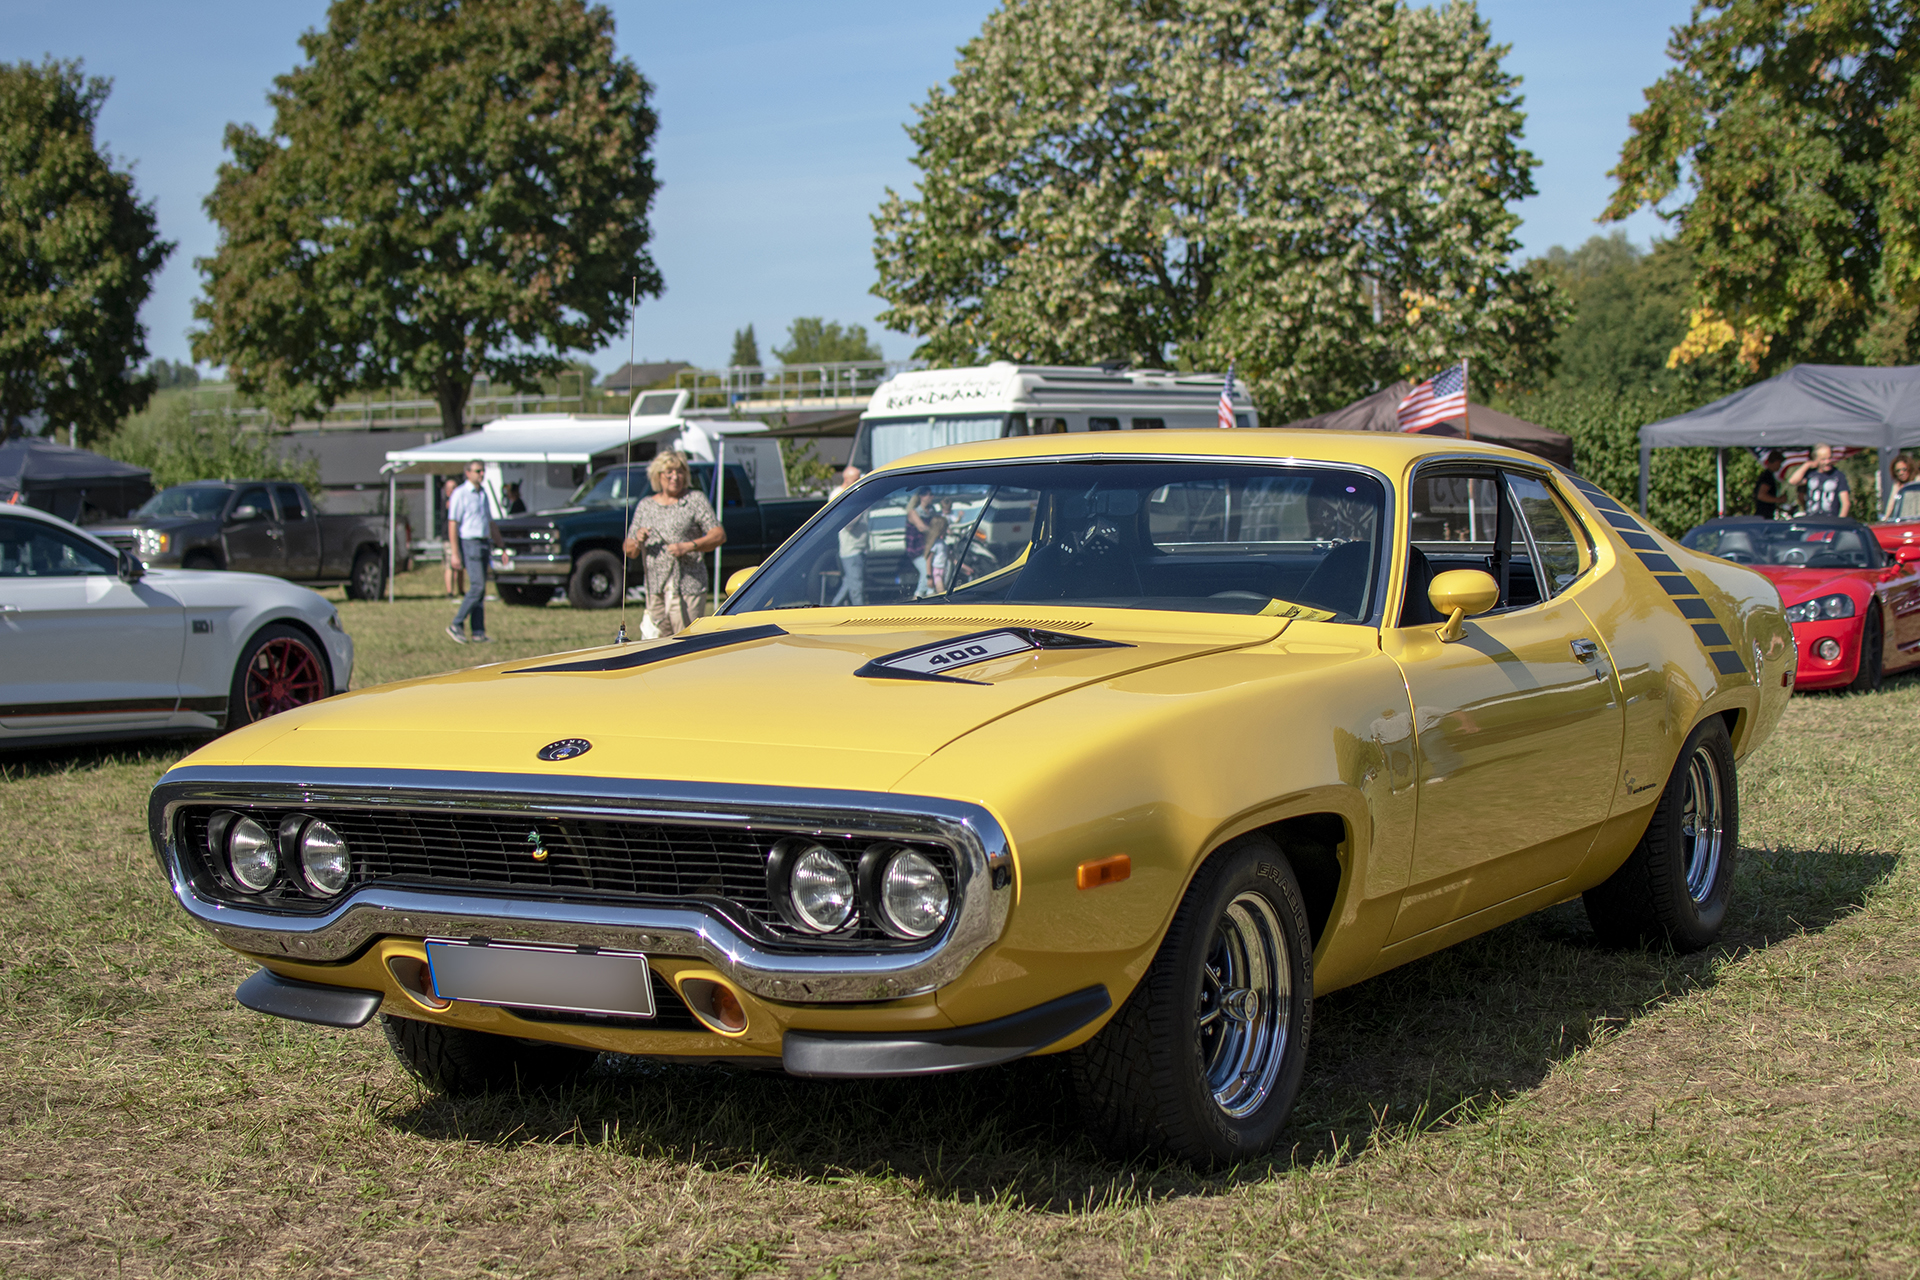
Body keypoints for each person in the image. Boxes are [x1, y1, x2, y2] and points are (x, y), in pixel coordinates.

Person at [621, 451, 725, 636]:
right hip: (656, 588)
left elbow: (718, 535)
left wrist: (688, 546)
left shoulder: (694, 500)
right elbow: (629, 550)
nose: (675, 477)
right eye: (669, 472)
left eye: (679, 472)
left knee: (686, 642)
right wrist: (638, 539)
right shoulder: (646, 505)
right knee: (656, 643)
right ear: (658, 475)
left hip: (688, 586)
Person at [445, 460, 495, 643]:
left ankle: (478, 631)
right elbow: (453, 523)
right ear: (468, 473)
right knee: (477, 586)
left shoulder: (483, 494)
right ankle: (456, 624)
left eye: (483, 471)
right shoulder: (461, 494)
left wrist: (501, 545)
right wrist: (455, 552)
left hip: (483, 542)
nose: (481, 474)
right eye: (478, 471)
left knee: (481, 590)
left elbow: (490, 522)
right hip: (470, 542)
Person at [828, 465, 867, 606]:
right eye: (856, 479)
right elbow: (847, 523)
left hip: (861, 546)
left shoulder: (854, 492)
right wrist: (862, 507)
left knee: (849, 583)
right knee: (856, 586)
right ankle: (859, 612)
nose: (859, 482)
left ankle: (833, 608)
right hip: (850, 547)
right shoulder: (838, 495)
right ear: (847, 479)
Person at [1788, 444, 1851, 517]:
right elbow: (1792, 481)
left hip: (1831, 519)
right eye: (1823, 459)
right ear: (1816, 459)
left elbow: (1846, 503)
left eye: (1829, 458)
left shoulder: (1838, 476)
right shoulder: (1811, 474)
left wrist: (1840, 522)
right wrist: (1807, 465)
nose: (1827, 462)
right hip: (1812, 519)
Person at [440, 478, 466, 597]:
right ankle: (450, 592)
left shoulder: (458, 501)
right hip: (449, 538)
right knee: (450, 565)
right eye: (452, 488)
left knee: (461, 565)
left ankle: (461, 590)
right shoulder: (448, 503)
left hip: (460, 536)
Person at [916, 515, 952, 598]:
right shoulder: (935, 544)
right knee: (941, 591)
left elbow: (950, 557)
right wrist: (929, 577)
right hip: (936, 572)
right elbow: (929, 560)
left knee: (940, 591)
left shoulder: (943, 543)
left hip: (944, 571)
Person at [1753, 450, 1790, 519]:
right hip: (1764, 516)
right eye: (1779, 463)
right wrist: (1778, 500)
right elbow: (1761, 495)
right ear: (1776, 462)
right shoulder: (1767, 476)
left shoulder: (1768, 475)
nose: (1780, 466)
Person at [1883, 454, 1916, 520]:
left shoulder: (1917, 481)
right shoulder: (1897, 485)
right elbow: (1891, 503)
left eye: (1904, 469)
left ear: (1910, 468)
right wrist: (1885, 518)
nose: (1901, 473)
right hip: (1903, 520)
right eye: (1898, 471)